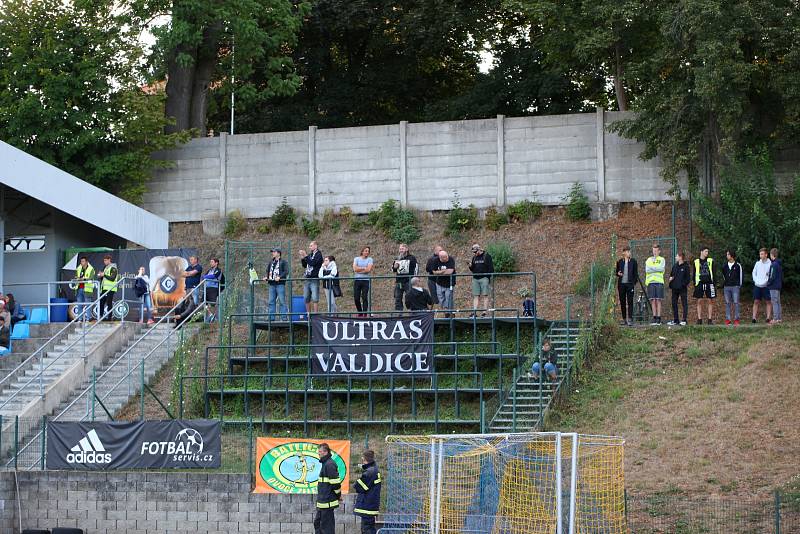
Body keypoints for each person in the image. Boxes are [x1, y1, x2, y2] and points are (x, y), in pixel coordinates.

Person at [314, 443, 341, 534]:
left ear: (326, 452)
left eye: (320, 451)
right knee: (318, 524)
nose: (318, 453)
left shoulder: (329, 464)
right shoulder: (325, 463)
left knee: (327, 528)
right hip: (322, 502)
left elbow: (335, 484)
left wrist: (338, 495)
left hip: (327, 502)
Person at [353, 449, 381, 534]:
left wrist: (356, 483)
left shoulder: (370, 472)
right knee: (366, 529)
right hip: (369, 505)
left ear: (364, 459)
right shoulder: (373, 470)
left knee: (367, 530)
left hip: (367, 506)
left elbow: (359, 487)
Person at [468, 244, 494, 317]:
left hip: (484, 278)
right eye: (474, 252)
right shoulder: (474, 257)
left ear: (479, 249)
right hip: (475, 278)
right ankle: (474, 312)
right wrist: (470, 266)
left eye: (476, 252)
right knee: (475, 295)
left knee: (485, 295)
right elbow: (473, 268)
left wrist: (487, 277)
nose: (475, 253)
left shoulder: (486, 256)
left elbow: (491, 268)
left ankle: (484, 312)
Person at [264, 249, 289, 321]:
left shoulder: (283, 262)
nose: (273, 253)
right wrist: (267, 277)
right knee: (271, 301)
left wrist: (280, 277)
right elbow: (268, 271)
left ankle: (284, 318)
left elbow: (286, 271)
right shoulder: (271, 262)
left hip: (280, 284)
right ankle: (271, 318)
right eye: (272, 252)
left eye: (274, 252)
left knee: (282, 301)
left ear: (278, 253)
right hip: (271, 284)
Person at [615, 246, 638, 326]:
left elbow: (636, 274)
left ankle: (630, 319)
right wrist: (618, 273)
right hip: (621, 285)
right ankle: (624, 319)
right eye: (628, 252)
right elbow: (616, 272)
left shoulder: (633, 261)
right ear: (624, 253)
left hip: (630, 285)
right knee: (622, 302)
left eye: (629, 252)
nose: (629, 253)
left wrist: (633, 283)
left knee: (630, 301)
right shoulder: (620, 261)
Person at [693, 247, 716, 325]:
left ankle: (709, 319)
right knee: (699, 300)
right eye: (706, 251)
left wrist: (714, 283)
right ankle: (699, 319)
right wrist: (695, 283)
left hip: (709, 283)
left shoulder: (710, 260)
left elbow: (714, 271)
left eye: (708, 251)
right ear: (701, 252)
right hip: (700, 283)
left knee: (710, 300)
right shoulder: (696, 261)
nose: (707, 253)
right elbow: (694, 273)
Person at [644, 243, 666, 325]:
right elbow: (647, 270)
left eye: (656, 251)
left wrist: (652, 267)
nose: (655, 252)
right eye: (653, 251)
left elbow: (661, 269)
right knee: (653, 300)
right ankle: (654, 317)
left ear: (659, 251)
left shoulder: (662, 259)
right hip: (650, 282)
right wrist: (656, 268)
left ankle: (659, 317)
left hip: (659, 282)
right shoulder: (648, 259)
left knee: (658, 300)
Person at [392, 244, 418, 311]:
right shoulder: (397, 258)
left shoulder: (412, 258)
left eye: (402, 248)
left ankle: (412, 311)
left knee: (410, 297)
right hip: (399, 281)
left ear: (407, 249)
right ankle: (398, 313)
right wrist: (395, 266)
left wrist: (415, 278)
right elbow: (393, 270)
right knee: (397, 298)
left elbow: (416, 268)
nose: (401, 250)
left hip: (408, 280)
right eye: (400, 249)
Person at [300, 242, 324, 315]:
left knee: (315, 298)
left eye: (311, 246)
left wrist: (305, 256)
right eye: (309, 246)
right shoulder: (310, 255)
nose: (309, 247)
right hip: (307, 279)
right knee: (306, 297)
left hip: (314, 279)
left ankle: (316, 315)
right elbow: (305, 265)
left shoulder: (319, 255)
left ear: (316, 246)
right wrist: (303, 258)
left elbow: (312, 263)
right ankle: (308, 314)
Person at [667, 252, 690, 326]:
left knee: (684, 303)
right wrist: (671, 281)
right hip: (674, 288)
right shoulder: (675, 266)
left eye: (676, 256)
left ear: (680, 257)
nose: (675, 257)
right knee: (674, 303)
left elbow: (688, 278)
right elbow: (671, 275)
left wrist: (683, 284)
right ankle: (676, 320)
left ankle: (684, 320)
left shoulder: (686, 266)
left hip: (682, 289)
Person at [722, 250, 743, 326]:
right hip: (726, 287)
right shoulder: (724, 266)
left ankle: (736, 320)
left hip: (735, 287)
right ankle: (728, 320)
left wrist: (738, 285)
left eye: (728, 254)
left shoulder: (738, 265)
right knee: (727, 303)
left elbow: (740, 277)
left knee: (736, 303)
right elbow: (724, 276)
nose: (726, 255)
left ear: (732, 256)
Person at [433, 250, 456, 317]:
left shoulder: (451, 259)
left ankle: (450, 312)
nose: (446, 258)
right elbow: (434, 272)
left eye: (446, 256)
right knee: (441, 298)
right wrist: (444, 271)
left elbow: (450, 271)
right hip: (439, 283)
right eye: (444, 257)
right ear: (440, 258)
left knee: (448, 298)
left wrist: (439, 272)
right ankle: (446, 311)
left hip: (449, 283)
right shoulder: (435, 260)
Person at [752, 248, 772, 323]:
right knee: (756, 301)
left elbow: (770, 275)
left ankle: (768, 318)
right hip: (757, 285)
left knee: (768, 301)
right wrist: (756, 280)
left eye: (762, 254)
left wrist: (767, 281)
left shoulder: (770, 264)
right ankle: (754, 318)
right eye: (760, 254)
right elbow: (754, 273)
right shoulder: (757, 263)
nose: (761, 255)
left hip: (766, 286)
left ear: (766, 254)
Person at [353, 246, 374, 317]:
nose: (367, 252)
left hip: (366, 281)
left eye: (368, 251)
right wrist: (364, 268)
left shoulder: (370, 259)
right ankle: (360, 312)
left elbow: (368, 270)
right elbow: (355, 269)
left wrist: (360, 269)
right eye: (365, 251)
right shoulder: (356, 259)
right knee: (356, 298)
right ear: (362, 251)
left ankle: (365, 314)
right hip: (357, 280)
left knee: (364, 297)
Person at [96, 254, 119, 321]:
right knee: (101, 302)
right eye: (104, 260)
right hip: (104, 288)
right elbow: (104, 278)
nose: (104, 262)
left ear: (109, 260)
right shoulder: (105, 268)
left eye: (106, 260)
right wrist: (100, 276)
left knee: (109, 303)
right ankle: (100, 317)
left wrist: (104, 275)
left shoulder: (113, 267)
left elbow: (112, 278)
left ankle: (109, 317)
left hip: (111, 289)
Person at [202, 258, 224, 322]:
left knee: (212, 304)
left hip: (213, 288)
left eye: (212, 262)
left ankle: (214, 318)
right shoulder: (209, 270)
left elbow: (214, 276)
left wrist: (205, 277)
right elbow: (205, 276)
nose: (210, 263)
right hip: (207, 288)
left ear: (216, 263)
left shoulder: (219, 270)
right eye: (210, 262)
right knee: (203, 303)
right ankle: (211, 314)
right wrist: (205, 277)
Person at [74, 256, 95, 320]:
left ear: (87, 262)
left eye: (83, 261)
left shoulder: (91, 269)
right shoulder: (78, 268)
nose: (81, 263)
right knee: (79, 305)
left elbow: (91, 278)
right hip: (79, 288)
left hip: (87, 289)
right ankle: (80, 319)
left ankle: (89, 318)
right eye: (81, 261)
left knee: (88, 305)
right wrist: (77, 278)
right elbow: (76, 276)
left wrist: (83, 279)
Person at [767, 248, 783, 324]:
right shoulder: (779, 264)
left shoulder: (773, 264)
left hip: (773, 286)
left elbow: (772, 276)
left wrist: (768, 283)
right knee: (778, 302)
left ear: (772, 255)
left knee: (774, 302)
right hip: (778, 286)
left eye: (770, 254)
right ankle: (779, 318)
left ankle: (776, 319)